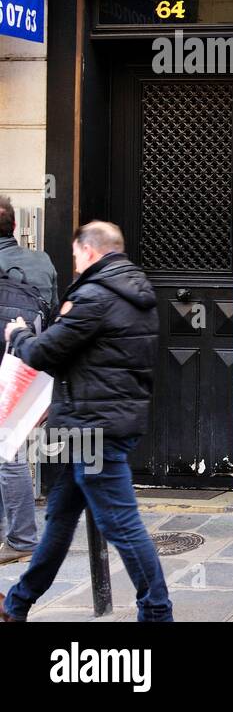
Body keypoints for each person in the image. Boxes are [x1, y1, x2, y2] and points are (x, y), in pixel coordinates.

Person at [1, 221, 173, 622]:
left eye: (77, 254)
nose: (75, 262)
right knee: (59, 520)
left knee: (122, 526)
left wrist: (18, 334)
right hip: (103, 424)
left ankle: (157, 611)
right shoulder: (134, 290)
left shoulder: (95, 296)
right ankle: (17, 604)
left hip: (94, 428)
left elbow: (46, 352)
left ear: (89, 251)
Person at [0, 196, 57, 567]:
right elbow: (51, 313)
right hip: (26, 364)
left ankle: (22, 537)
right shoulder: (42, 261)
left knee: (8, 453)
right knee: (10, 447)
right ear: (16, 227)